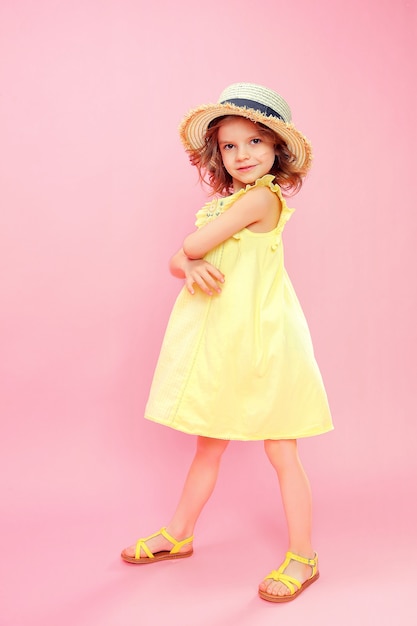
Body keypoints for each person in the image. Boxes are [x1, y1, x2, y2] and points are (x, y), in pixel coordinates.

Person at [121, 83, 333, 603]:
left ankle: (303, 556)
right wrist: (188, 262)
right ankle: (180, 532)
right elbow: (178, 261)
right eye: (230, 145)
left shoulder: (261, 198)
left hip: (264, 340)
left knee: (282, 448)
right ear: (218, 153)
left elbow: (189, 247)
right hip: (225, 340)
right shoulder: (228, 204)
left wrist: (190, 255)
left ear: (277, 151)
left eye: (256, 142)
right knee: (208, 444)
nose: (242, 155)